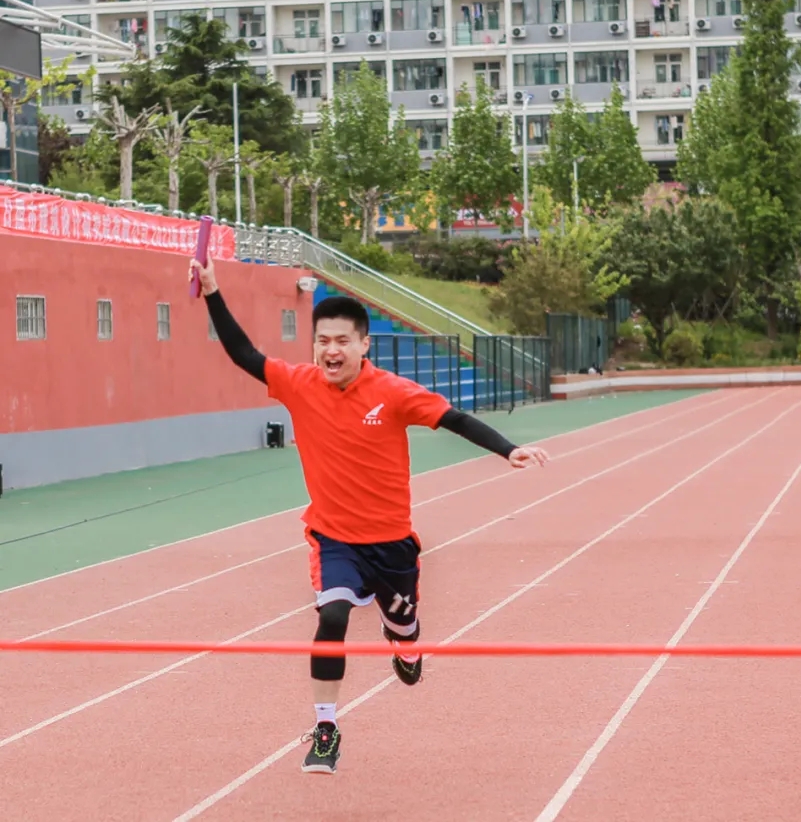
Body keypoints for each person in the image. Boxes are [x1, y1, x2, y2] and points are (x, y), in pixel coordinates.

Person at [189, 257, 549, 775]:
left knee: (405, 631)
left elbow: (456, 419)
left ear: (364, 345)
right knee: (331, 617)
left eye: (342, 341)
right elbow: (243, 353)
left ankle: (404, 646)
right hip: (334, 539)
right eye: (322, 341)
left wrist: (507, 449)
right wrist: (212, 292)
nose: (330, 351)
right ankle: (326, 727)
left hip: (392, 545)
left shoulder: (394, 393)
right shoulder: (297, 383)